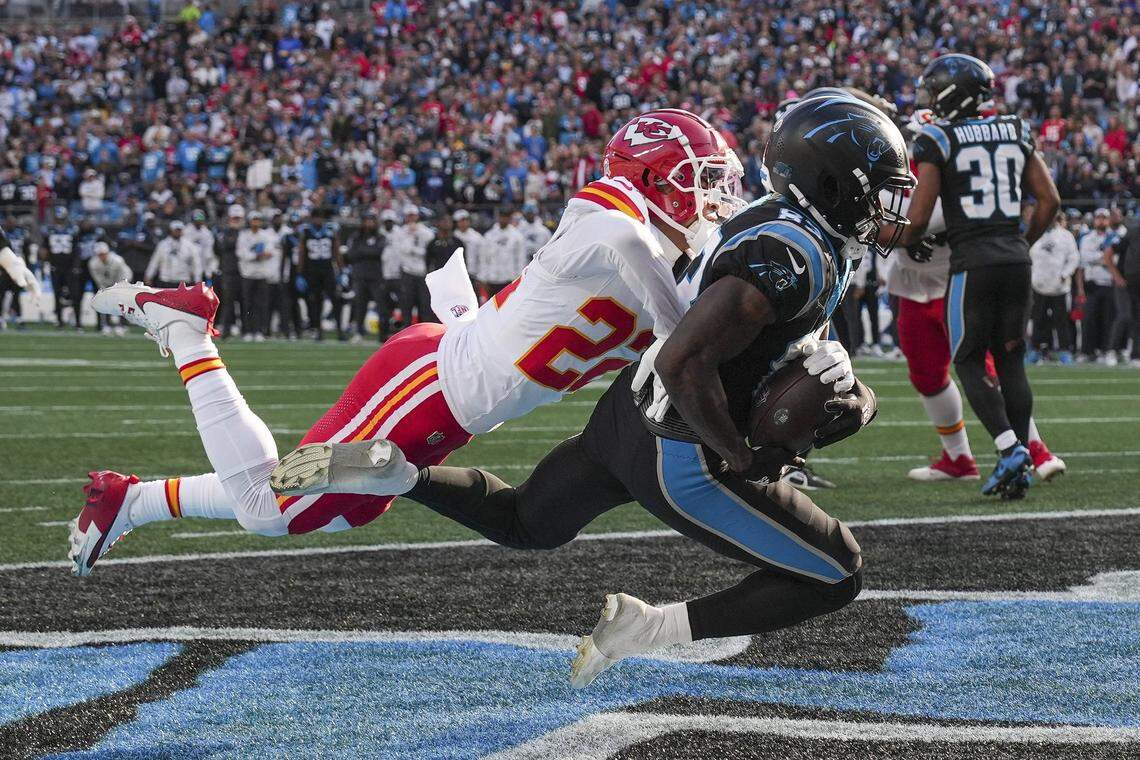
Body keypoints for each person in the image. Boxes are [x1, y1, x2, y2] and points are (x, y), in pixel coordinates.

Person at [308, 97, 899, 688]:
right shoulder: (790, 255)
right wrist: (741, 459)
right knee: (836, 573)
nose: (885, 206)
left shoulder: (782, 227)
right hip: (683, 447)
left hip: (625, 418)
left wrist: (855, 397)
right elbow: (684, 360)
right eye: (876, 189)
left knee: (525, 522)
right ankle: (649, 628)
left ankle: (399, 476)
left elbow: (775, 341)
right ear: (831, 184)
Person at [70, 108, 743, 576]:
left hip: (449, 388)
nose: (714, 196)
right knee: (269, 510)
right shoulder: (607, 219)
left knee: (343, 513)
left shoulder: (668, 252)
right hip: (427, 386)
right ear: (652, 178)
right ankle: (187, 334)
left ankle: (127, 499)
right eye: (701, 179)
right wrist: (680, 314)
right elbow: (624, 247)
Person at [900, 54, 1060, 499]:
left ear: (949, 93)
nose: (928, 98)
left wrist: (885, 237)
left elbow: (916, 221)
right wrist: (1019, 244)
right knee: (1010, 359)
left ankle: (1011, 450)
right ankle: (1021, 457)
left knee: (968, 359)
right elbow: (1049, 201)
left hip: (973, 262)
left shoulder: (936, 137)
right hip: (1015, 259)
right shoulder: (1015, 128)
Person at [1028, 211, 1079, 363]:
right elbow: (1028, 257)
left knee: (1061, 321)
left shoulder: (1066, 236)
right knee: (1038, 320)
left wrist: (1065, 274)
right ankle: (1036, 350)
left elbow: (1074, 258)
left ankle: (1064, 351)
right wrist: (1032, 277)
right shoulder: (1035, 233)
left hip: (1059, 287)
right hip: (1039, 285)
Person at [1076, 209, 1117, 363]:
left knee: (1108, 319)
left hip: (1108, 282)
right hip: (1092, 284)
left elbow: (1116, 259)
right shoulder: (1086, 238)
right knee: (1089, 319)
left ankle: (1106, 350)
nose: (1101, 221)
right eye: (1098, 217)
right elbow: (1085, 258)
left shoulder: (1114, 237)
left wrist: (1100, 259)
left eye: (1104, 218)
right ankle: (1087, 351)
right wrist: (1104, 258)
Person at [299, 207, 345, 340]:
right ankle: (318, 330)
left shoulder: (330, 231)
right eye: (316, 217)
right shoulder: (306, 231)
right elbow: (302, 253)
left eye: (320, 217)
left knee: (335, 299)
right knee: (315, 301)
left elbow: (336, 251)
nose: (318, 220)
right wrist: (300, 274)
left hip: (327, 268)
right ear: (312, 218)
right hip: (312, 270)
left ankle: (340, 330)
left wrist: (341, 270)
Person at [236, 211, 279, 342]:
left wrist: (255, 256)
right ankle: (248, 331)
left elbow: (270, 252)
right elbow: (241, 253)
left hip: (261, 274)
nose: (256, 223)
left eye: (258, 220)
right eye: (254, 220)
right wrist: (256, 256)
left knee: (261, 304)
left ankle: (260, 330)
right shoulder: (243, 236)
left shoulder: (266, 236)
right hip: (248, 274)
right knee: (248, 304)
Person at [347, 209, 389, 341]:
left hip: (376, 276)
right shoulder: (356, 236)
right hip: (360, 276)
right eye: (366, 220)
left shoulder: (380, 236)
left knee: (381, 305)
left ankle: (383, 334)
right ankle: (359, 332)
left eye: (371, 220)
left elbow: (378, 252)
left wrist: (362, 252)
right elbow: (351, 254)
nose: (369, 223)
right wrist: (367, 252)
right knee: (360, 305)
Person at [390, 205, 435, 326]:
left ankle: (424, 331)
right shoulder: (400, 232)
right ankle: (406, 331)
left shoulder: (426, 232)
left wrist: (413, 250)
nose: (411, 218)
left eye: (413, 215)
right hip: (407, 271)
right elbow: (399, 251)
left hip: (423, 273)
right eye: (409, 215)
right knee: (406, 304)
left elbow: (428, 252)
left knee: (424, 305)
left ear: (417, 216)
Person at [1104, 216, 1140, 368]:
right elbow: (1108, 254)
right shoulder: (1132, 233)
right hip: (1125, 284)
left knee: (1138, 319)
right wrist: (1117, 276)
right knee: (1124, 316)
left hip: (1137, 284)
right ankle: (1111, 351)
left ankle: (1135, 355)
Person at [43, 206, 81, 329]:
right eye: (58, 218)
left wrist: (76, 265)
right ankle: (60, 322)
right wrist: (46, 261)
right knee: (57, 295)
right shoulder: (49, 230)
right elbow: (45, 250)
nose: (59, 220)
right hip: (55, 266)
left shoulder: (73, 230)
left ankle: (78, 322)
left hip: (69, 267)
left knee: (75, 295)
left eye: (61, 218)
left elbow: (76, 250)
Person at [87, 242, 133, 335]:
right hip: (106, 283)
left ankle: (121, 325)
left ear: (107, 252)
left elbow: (125, 275)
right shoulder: (93, 263)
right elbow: (98, 279)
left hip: (123, 280)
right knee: (105, 302)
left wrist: (119, 288)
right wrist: (106, 290)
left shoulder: (118, 260)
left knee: (122, 302)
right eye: (100, 255)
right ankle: (106, 325)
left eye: (103, 254)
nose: (102, 257)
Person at [480, 208, 527, 296]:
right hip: (492, 279)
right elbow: (484, 258)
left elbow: (520, 260)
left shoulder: (517, 236)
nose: (503, 219)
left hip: (509, 280)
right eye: (502, 217)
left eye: (506, 217)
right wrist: (483, 278)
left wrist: (519, 280)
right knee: (493, 308)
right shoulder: (489, 235)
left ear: (510, 218)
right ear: (498, 217)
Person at [214, 205, 245, 338]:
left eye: (238, 218)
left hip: (245, 271)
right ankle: (226, 330)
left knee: (245, 302)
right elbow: (219, 248)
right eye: (234, 218)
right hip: (229, 270)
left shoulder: (246, 233)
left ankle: (246, 330)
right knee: (228, 301)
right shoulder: (224, 232)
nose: (236, 220)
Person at [145, 221, 202, 289]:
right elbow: (155, 261)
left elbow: (196, 264)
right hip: (165, 280)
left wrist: (198, 280)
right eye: (175, 230)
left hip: (183, 281)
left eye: (179, 230)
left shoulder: (190, 246)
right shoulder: (163, 244)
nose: (177, 232)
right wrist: (149, 275)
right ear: (171, 230)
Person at [452, 209, 485, 298]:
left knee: (473, 301)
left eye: (465, 220)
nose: (463, 223)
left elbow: (482, 257)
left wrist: (480, 276)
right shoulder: (453, 236)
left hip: (472, 274)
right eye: (461, 221)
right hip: (456, 275)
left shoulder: (477, 237)